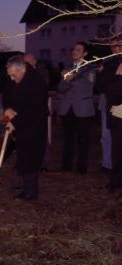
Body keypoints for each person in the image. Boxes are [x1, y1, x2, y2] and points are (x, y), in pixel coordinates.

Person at [3, 55, 48, 201]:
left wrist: (15, 122)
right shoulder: (16, 78)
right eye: (9, 75)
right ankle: (25, 185)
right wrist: (8, 108)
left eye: (13, 75)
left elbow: (33, 110)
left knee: (31, 157)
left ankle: (31, 192)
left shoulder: (36, 82)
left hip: (33, 127)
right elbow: (7, 93)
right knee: (22, 156)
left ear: (22, 69)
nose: (11, 78)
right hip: (21, 125)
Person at [58, 42, 96, 175]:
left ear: (85, 53)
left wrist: (71, 79)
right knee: (68, 138)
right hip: (67, 108)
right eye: (74, 49)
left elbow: (88, 85)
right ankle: (66, 166)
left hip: (83, 109)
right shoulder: (67, 68)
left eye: (78, 50)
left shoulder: (90, 68)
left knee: (83, 139)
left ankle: (81, 167)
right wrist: (67, 80)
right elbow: (60, 88)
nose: (74, 51)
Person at [96, 39, 122, 190]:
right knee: (117, 146)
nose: (116, 48)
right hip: (116, 110)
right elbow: (102, 87)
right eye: (113, 45)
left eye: (119, 44)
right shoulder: (108, 64)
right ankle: (117, 178)